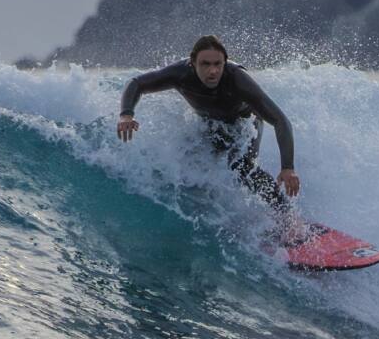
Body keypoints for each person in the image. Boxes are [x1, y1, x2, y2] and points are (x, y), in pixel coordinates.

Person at [117, 35, 300, 212]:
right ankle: (215, 212)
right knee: (191, 161)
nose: (212, 71)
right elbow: (136, 83)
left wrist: (287, 168)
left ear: (225, 62)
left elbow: (280, 120)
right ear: (193, 62)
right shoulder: (180, 74)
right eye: (205, 64)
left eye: (218, 64)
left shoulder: (237, 79)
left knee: (242, 168)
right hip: (211, 123)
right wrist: (126, 115)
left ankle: (287, 217)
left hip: (245, 124)